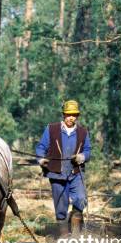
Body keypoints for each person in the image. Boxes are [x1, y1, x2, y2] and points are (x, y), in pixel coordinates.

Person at [36, 100, 91, 235]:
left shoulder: (83, 132)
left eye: (73, 115)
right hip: (56, 173)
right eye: (68, 114)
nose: (70, 118)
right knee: (61, 205)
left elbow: (88, 150)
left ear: (77, 116)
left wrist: (82, 157)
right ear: (63, 115)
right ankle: (64, 234)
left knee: (80, 198)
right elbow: (41, 147)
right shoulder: (51, 129)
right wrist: (41, 159)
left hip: (75, 173)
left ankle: (77, 230)